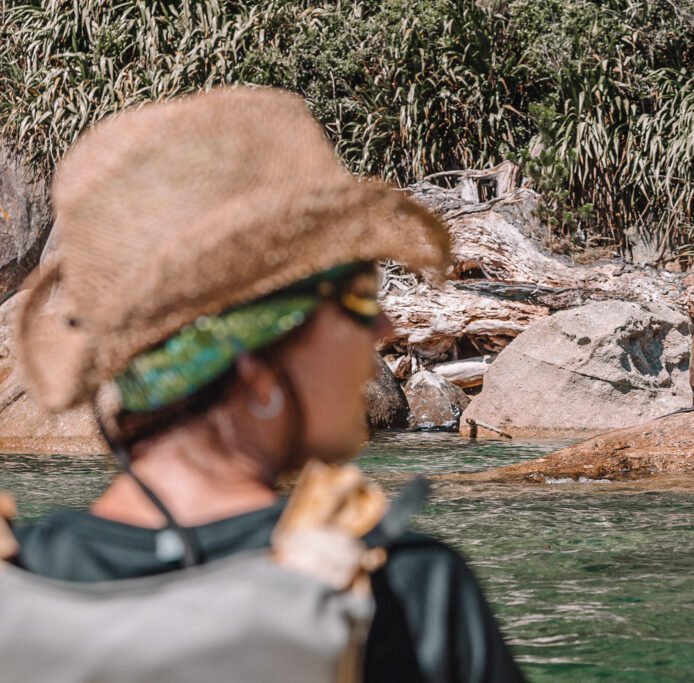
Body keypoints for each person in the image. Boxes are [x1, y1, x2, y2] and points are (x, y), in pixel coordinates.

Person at [7, 86, 525, 682]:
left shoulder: (16, 579)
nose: (382, 326)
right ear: (254, 365)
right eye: (357, 295)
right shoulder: (405, 596)